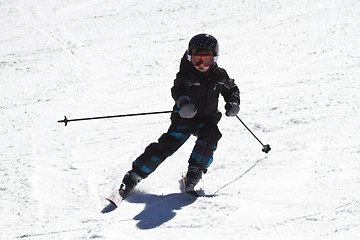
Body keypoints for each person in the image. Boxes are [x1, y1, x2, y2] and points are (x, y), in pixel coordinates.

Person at [119, 33, 240, 196]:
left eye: (207, 60)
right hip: (185, 119)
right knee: (166, 146)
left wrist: (233, 102)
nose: (201, 64)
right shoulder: (186, 75)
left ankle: (195, 171)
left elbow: (232, 89)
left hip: (207, 119)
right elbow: (178, 89)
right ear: (190, 58)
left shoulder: (220, 75)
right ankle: (135, 175)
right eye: (197, 59)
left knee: (211, 136)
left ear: (215, 59)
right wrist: (184, 103)